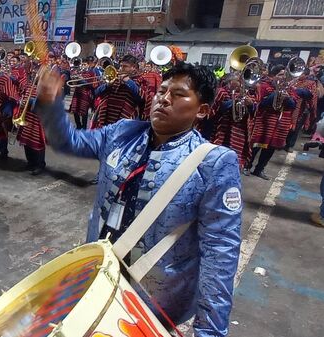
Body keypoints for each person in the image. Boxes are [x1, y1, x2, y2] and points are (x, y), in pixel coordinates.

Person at [34, 62, 242, 337]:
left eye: (178, 95)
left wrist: (210, 332)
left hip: (153, 302)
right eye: (162, 91)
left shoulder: (213, 162)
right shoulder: (122, 133)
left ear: (202, 110)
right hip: (98, 275)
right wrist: (51, 104)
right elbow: (67, 141)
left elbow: (220, 252)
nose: (164, 99)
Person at [244, 65, 297, 179]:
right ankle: (247, 166)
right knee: (257, 146)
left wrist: (287, 97)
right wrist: (275, 94)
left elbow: (293, 105)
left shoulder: (289, 89)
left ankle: (259, 169)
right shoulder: (264, 86)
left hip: (279, 124)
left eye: (284, 75)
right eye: (280, 75)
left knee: (270, 149)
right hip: (264, 121)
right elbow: (260, 104)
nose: (283, 78)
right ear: (273, 76)